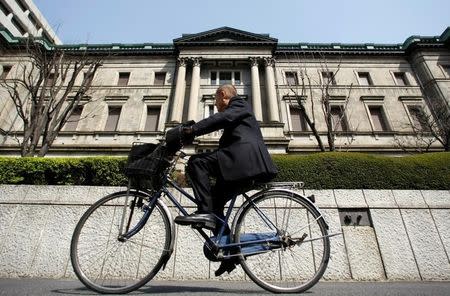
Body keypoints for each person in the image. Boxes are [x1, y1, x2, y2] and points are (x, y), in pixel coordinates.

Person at [174, 84, 278, 276]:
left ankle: (204, 212)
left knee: (197, 163)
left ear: (222, 95)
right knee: (215, 203)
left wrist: (192, 130)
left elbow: (220, 119)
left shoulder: (239, 105)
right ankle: (228, 254)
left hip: (244, 161)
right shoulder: (238, 109)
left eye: (215, 100)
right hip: (239, 162)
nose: (215, 104)